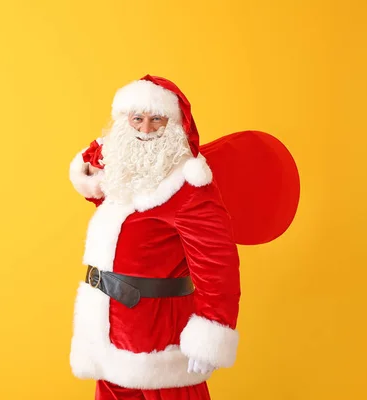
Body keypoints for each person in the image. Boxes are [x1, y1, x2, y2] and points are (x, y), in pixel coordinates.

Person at [68, 75, 241, 400]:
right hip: (106, 328)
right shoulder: (123, 174)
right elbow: (100, 175)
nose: (145, 129)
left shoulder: (188, 186)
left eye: (156, 119)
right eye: (137, 118)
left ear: (173, 125)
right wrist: (96, 156)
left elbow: (217, 264)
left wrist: (211, 329)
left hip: (159, 336)